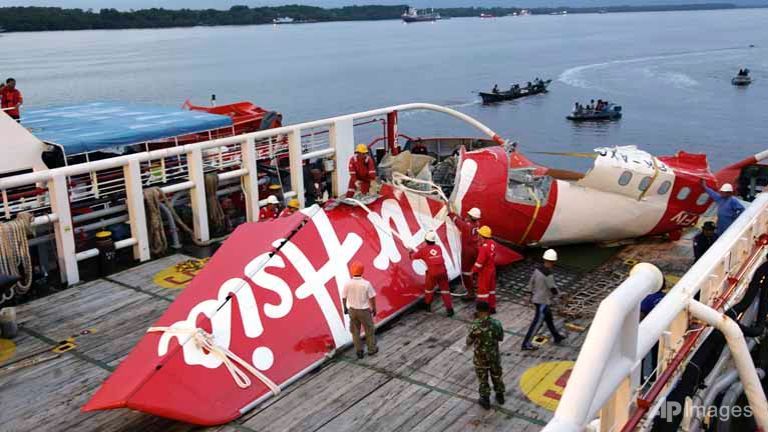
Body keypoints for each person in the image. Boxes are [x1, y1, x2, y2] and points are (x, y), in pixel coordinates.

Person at [521, 249, 566, 350]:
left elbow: (531, 282)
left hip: (537, 298)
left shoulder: (537, 270)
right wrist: (560, 296)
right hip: (542, 302)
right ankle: (526, 344)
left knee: (549, 319)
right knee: (537, 323)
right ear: (553, 261)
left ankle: (556, 336)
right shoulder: (548, 274)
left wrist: (528, 294)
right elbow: (553, 288)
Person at [466, 301, 505, 410]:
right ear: (488, 310)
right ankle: (500, 395)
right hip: (494, 355)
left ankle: (485, 399)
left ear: (478, 311)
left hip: (480, 357)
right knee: (496, 375)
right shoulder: (496, 323)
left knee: (483, 378)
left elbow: (468, 342)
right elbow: (501, 338)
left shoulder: (475, 325)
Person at [410, 230, 454, 316]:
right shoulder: (438, 247)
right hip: (443, 271)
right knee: (445, 291)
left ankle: (428, 306)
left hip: (432, 273)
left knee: (429, 289)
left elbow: (413, 257)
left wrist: (410, 252)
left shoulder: (423, 250)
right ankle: (450, 310)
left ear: (426, 240)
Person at [342, 261, 378, 359]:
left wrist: (345, 307)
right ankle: (371, 349)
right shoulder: (366, 284)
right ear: (362, 271)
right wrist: (374, 308)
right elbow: (372, 297)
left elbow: (344, 297)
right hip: (364, 310)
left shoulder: (347, 284)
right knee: (369, 330)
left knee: (355, 331)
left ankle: (359, 351)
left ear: (351, 271)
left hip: (352, 310)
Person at [450, 207, 482, 300]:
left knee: (466, 272)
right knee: (474, 269)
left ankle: (470, 293)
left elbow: (458, 222)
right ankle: (475, 284)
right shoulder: (477, 223)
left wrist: (451, 215)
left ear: (471, 216)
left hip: (468, 251)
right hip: (475, 248)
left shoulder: (467, 225)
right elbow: (464, 221)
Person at [472, 225, 498, 313]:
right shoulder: (493, 243)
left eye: (479, 234)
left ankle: (482, 312)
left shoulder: (484, 248)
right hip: (492, 269)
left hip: (484, 272)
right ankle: (492, 307)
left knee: (482, 292)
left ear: (482, 236)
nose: (478, 236)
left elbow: (479, 263)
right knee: (491, 290)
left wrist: (473, 271)